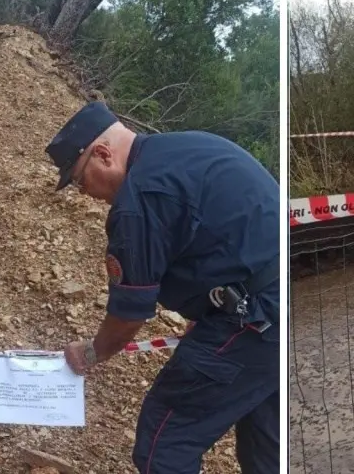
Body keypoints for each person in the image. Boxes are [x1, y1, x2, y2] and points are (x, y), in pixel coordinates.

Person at [44, 101, 280, 474]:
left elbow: (129, 313)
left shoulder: (138, 201)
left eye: (79, 179)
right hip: (281, 296)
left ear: (103, 154)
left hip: (254, 319)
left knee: (165, 442)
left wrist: (92, 352)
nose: (83, 192)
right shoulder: (191, 146)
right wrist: (210, 308)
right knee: (266, 446)